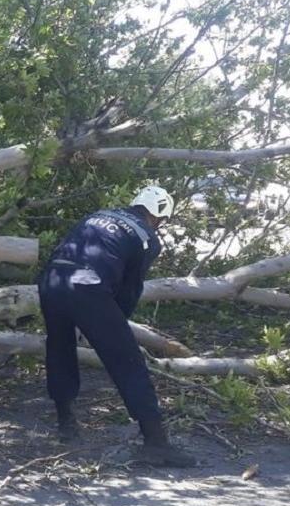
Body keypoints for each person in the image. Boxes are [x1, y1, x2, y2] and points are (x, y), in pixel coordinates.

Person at [37, 185, 197, 468]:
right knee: (128, 361)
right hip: (88, 288)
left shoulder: (97, 215)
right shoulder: (147, 238)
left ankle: (66, 424)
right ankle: (156, 442)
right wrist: (111, 327)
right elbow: (128, 291)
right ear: (158, 217)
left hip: (51, 280)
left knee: (59, 348)